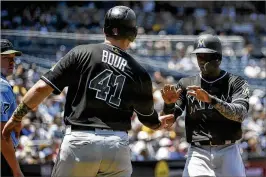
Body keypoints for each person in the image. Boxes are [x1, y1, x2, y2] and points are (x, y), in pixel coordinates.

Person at [2, 6, 174, 177]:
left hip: (81, 141)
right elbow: (152, 122)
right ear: (133, 33)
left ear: (105, 29)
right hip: (117, 147)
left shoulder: (81, 53)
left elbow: (41, 88)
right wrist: (168, 108)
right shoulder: (139, 72)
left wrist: (17, 117)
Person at [161, 34, 249, 177]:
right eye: (199, 56)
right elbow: (167, 122)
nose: (201, 61)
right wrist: (168, 105)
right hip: (198, 152)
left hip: (228, 150)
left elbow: (240, 114)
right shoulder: (186, 83)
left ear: (218, 58)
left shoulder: (236, 82)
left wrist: (212, 100)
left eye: (206, 56)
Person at [1, 39, 24, 177]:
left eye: (13, 58)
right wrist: (16, 170)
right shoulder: (2, 86)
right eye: (6, 58)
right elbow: (2, 134)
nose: (12, 62)